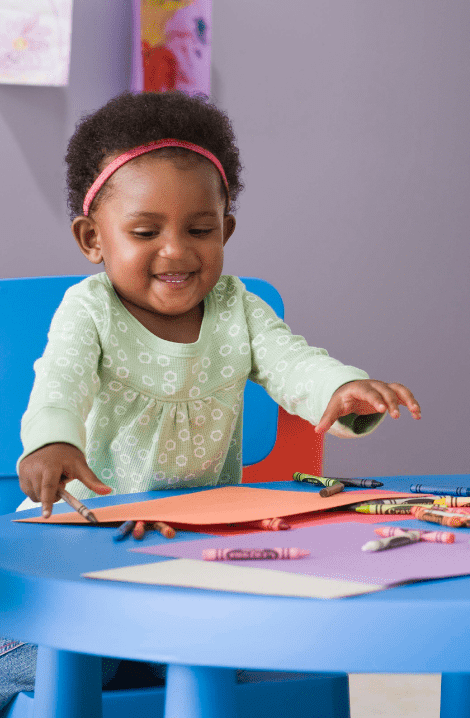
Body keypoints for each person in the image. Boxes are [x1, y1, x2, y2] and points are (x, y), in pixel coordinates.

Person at [0, 90, 421, 715]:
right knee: (54, 650)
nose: (176, 250)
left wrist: (341, 390)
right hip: (89, 539)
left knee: (275, 657)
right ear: (93, 238)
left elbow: (293, 363)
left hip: (198, 540)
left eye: (199, 230)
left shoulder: (237, 307)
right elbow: (58, 381)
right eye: (146, 232)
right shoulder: (89, 310)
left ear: (224, 229)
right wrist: (52, 442)